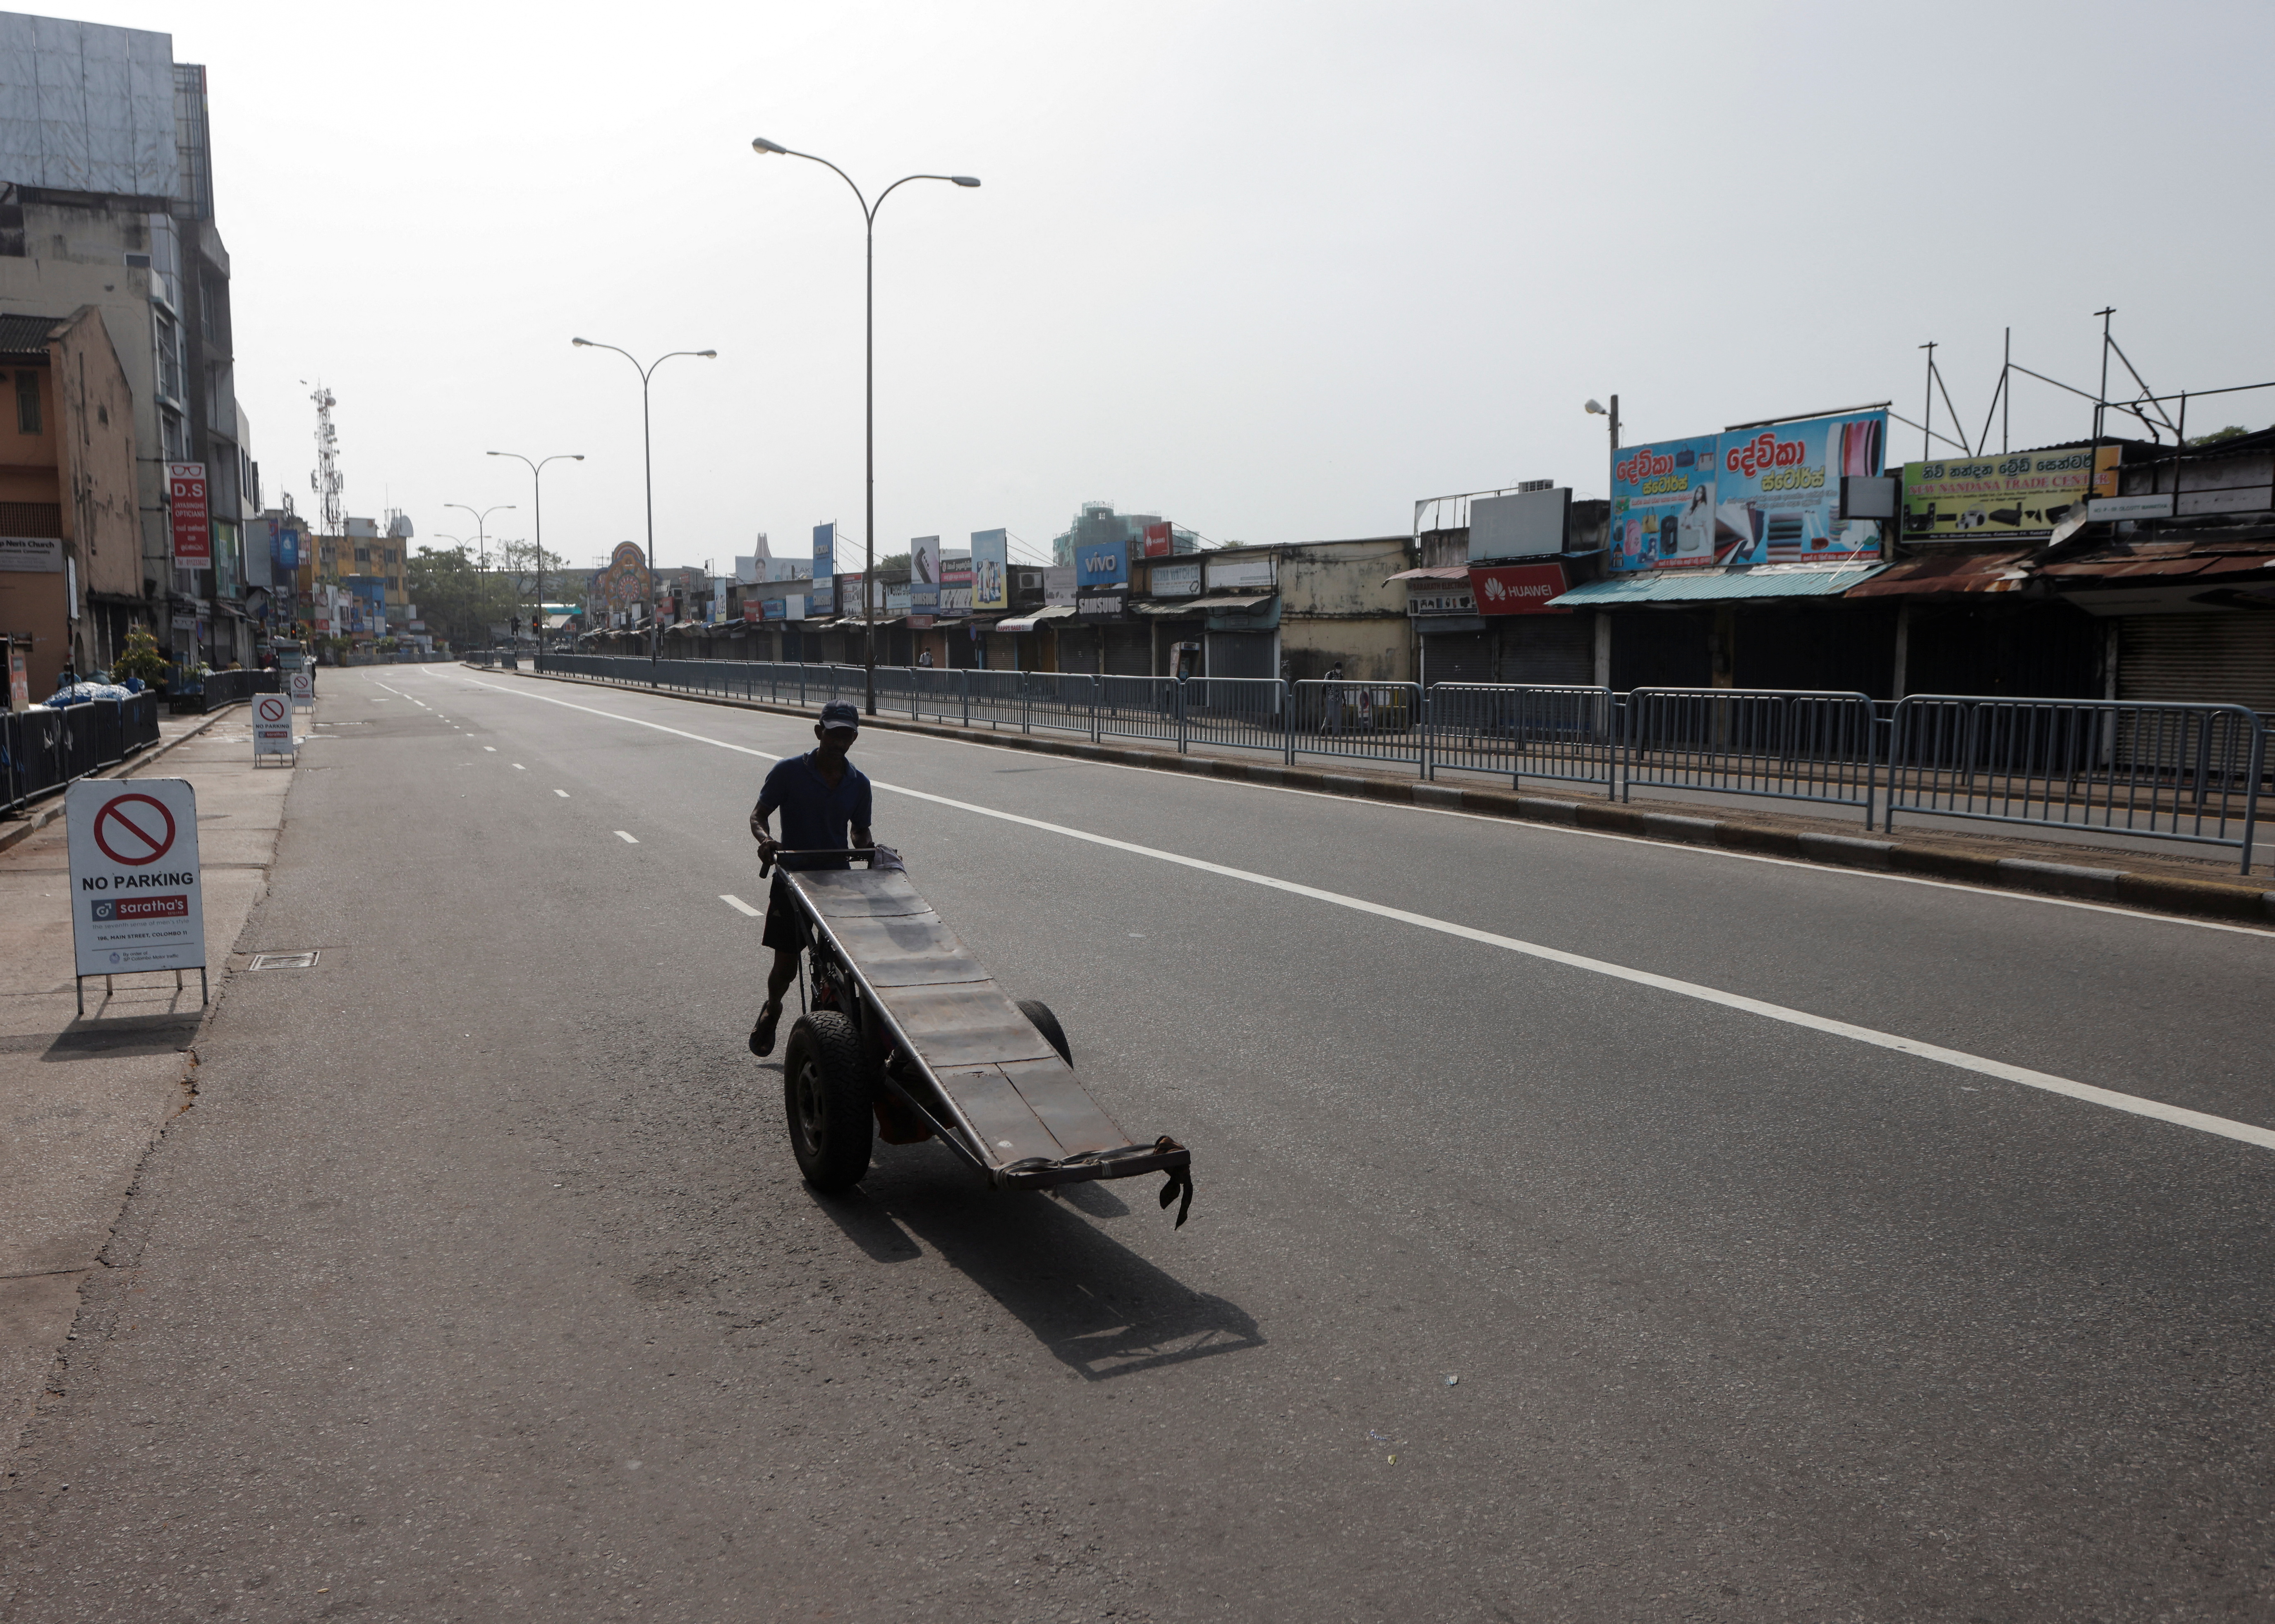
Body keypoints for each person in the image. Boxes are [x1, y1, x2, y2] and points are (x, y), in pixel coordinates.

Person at [747, 701, 874, 1057]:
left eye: (845, 735)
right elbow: (758, 816)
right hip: (792, 879)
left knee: (843, 964)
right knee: (785, 967)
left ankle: (832, 1030)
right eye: (832, 733)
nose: (838, 741)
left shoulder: (858, 784)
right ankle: (773, 1006)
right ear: (819, 732)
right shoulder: (788, 772)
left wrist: (870, 851)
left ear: (854, 738)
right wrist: (766, 840)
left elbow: (859, 832)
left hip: (836, 882)